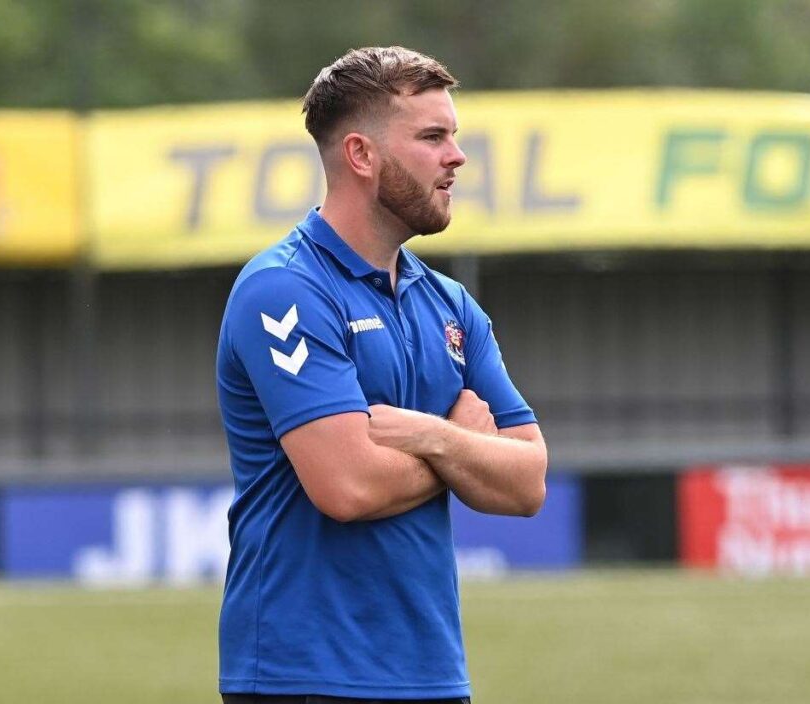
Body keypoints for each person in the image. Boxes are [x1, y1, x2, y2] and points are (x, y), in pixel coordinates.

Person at [216, 46, 547, 704]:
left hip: (431, 674)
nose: (456, 157)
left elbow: (528, 481)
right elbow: (347, 486)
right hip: (304, 675)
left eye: (454, 135)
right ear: (362, 156)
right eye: (433, 137)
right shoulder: (284, 290)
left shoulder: (452, 306)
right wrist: (466, 450)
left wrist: (437, 438)